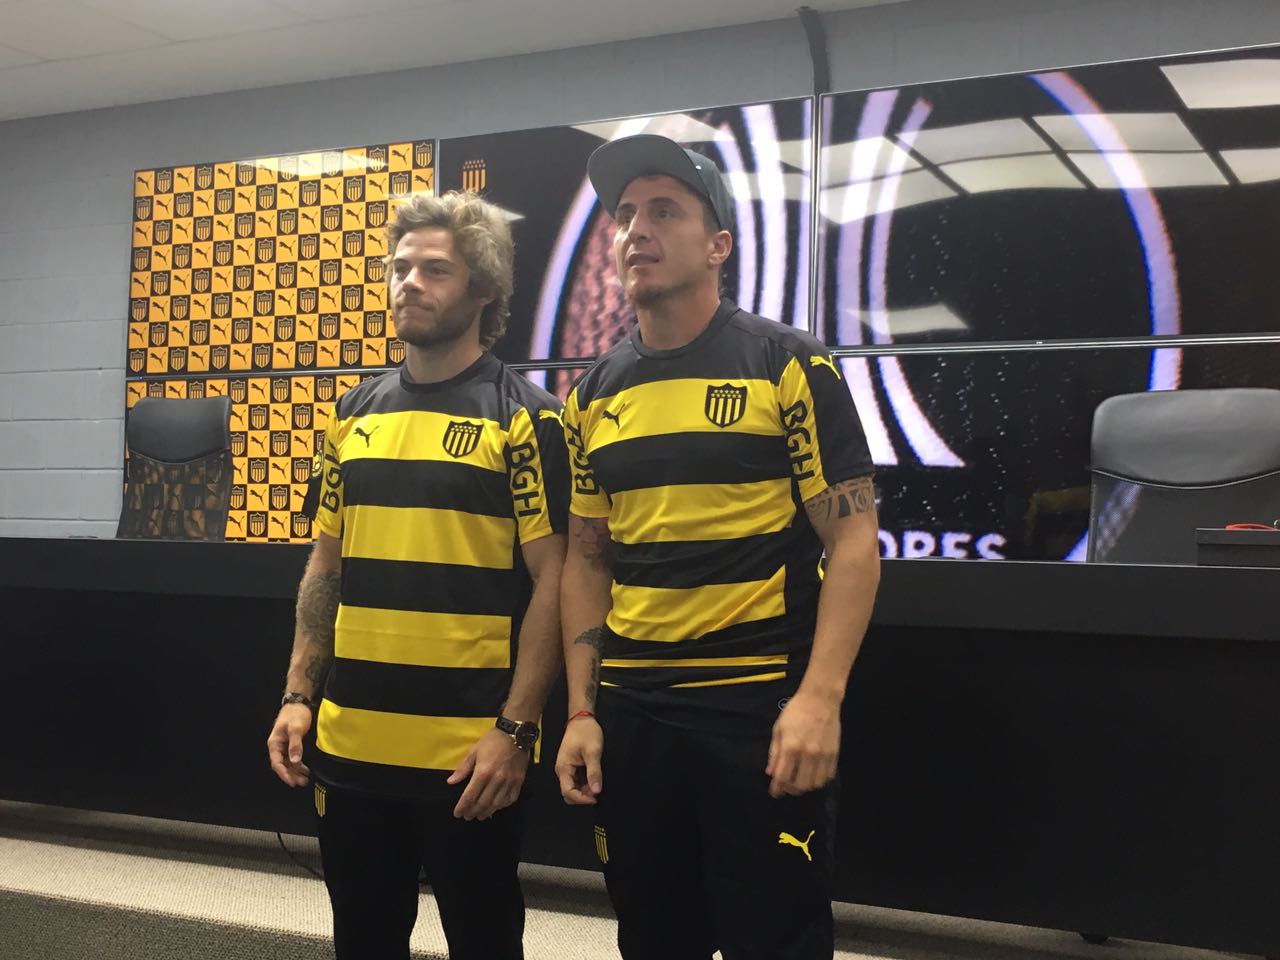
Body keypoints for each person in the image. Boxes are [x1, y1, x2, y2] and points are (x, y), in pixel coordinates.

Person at [554, 135, 881, 960]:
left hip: (754, 714)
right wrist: (583, 712)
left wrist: (820, 700)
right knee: (653, 941)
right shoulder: (591, 396)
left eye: (665, 211)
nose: (636, 229)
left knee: (775, 943)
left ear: (718, 245)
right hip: (633, 720)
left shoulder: (788, 365)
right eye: (625, 214)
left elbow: (853, 539)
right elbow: (588, 561)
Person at [266, 190, 568, 960]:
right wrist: (299, 696)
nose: (410, 283)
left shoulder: (524, 418)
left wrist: (516, 731)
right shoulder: (353, 413)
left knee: (484, 942)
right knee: (364, 941)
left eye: (436, 269)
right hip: (350, 747)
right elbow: (326, 566)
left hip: (469, 760)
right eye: (401, 268)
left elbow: (556, 583)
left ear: (484, 289)